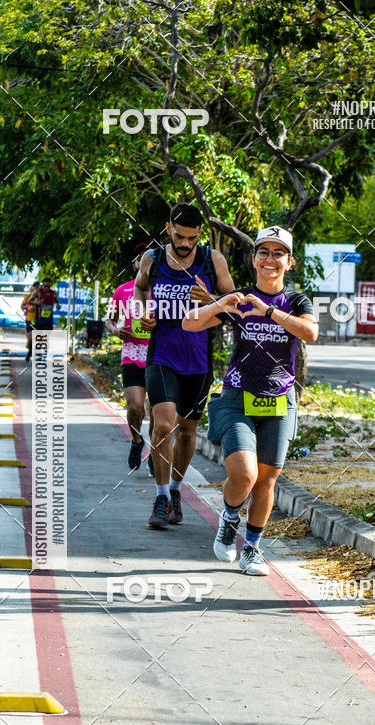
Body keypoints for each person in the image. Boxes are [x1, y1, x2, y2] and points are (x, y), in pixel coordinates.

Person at [183, 226, 318, 575]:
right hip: (237, 396)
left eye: (278, 254)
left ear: (290, 262)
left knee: (267, 480)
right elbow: (189, 324)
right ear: (254, 258)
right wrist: (220, 303)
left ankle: (253, 548)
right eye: (263, 252)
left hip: (279, 400)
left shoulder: (296, 302)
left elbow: (310, 333)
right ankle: (229, 520)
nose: (270, 260)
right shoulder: (240, 299)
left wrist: (270, 312)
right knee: (245, 474)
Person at [136, 203, 235, 530]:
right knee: (163, 425)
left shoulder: (212, 260)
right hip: (162, 355)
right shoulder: (154, 259)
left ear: (198, 236)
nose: (184, 244)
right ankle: (161, 497)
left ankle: (176, 491)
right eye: (179, 236)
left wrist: (210, 301)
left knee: (188, 431)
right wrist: (142, 314)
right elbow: (139, 288)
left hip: (198, 361)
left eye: (191, 238)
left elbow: (234, 302)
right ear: (168, 229)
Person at [106, 253, 155, 475]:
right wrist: (117, 330)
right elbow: (109, 319)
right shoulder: (121, 290)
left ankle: (156, 452)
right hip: (132, 355)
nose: (145, 263)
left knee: (157, 412)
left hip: (159, 356)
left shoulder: (164, 290)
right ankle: (137, 440)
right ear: (135, 263)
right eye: (140, 259)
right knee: (136, 407)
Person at [21, 281, 40, 361]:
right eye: (35, 287)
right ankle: (30, 351)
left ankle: (37, 354)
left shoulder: (42, 297)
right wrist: (27, 308)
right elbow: (22, 306)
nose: (36, 289)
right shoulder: (28, 296)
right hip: (30, 319)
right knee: (30, 337)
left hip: (40, 320)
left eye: (38, 287)